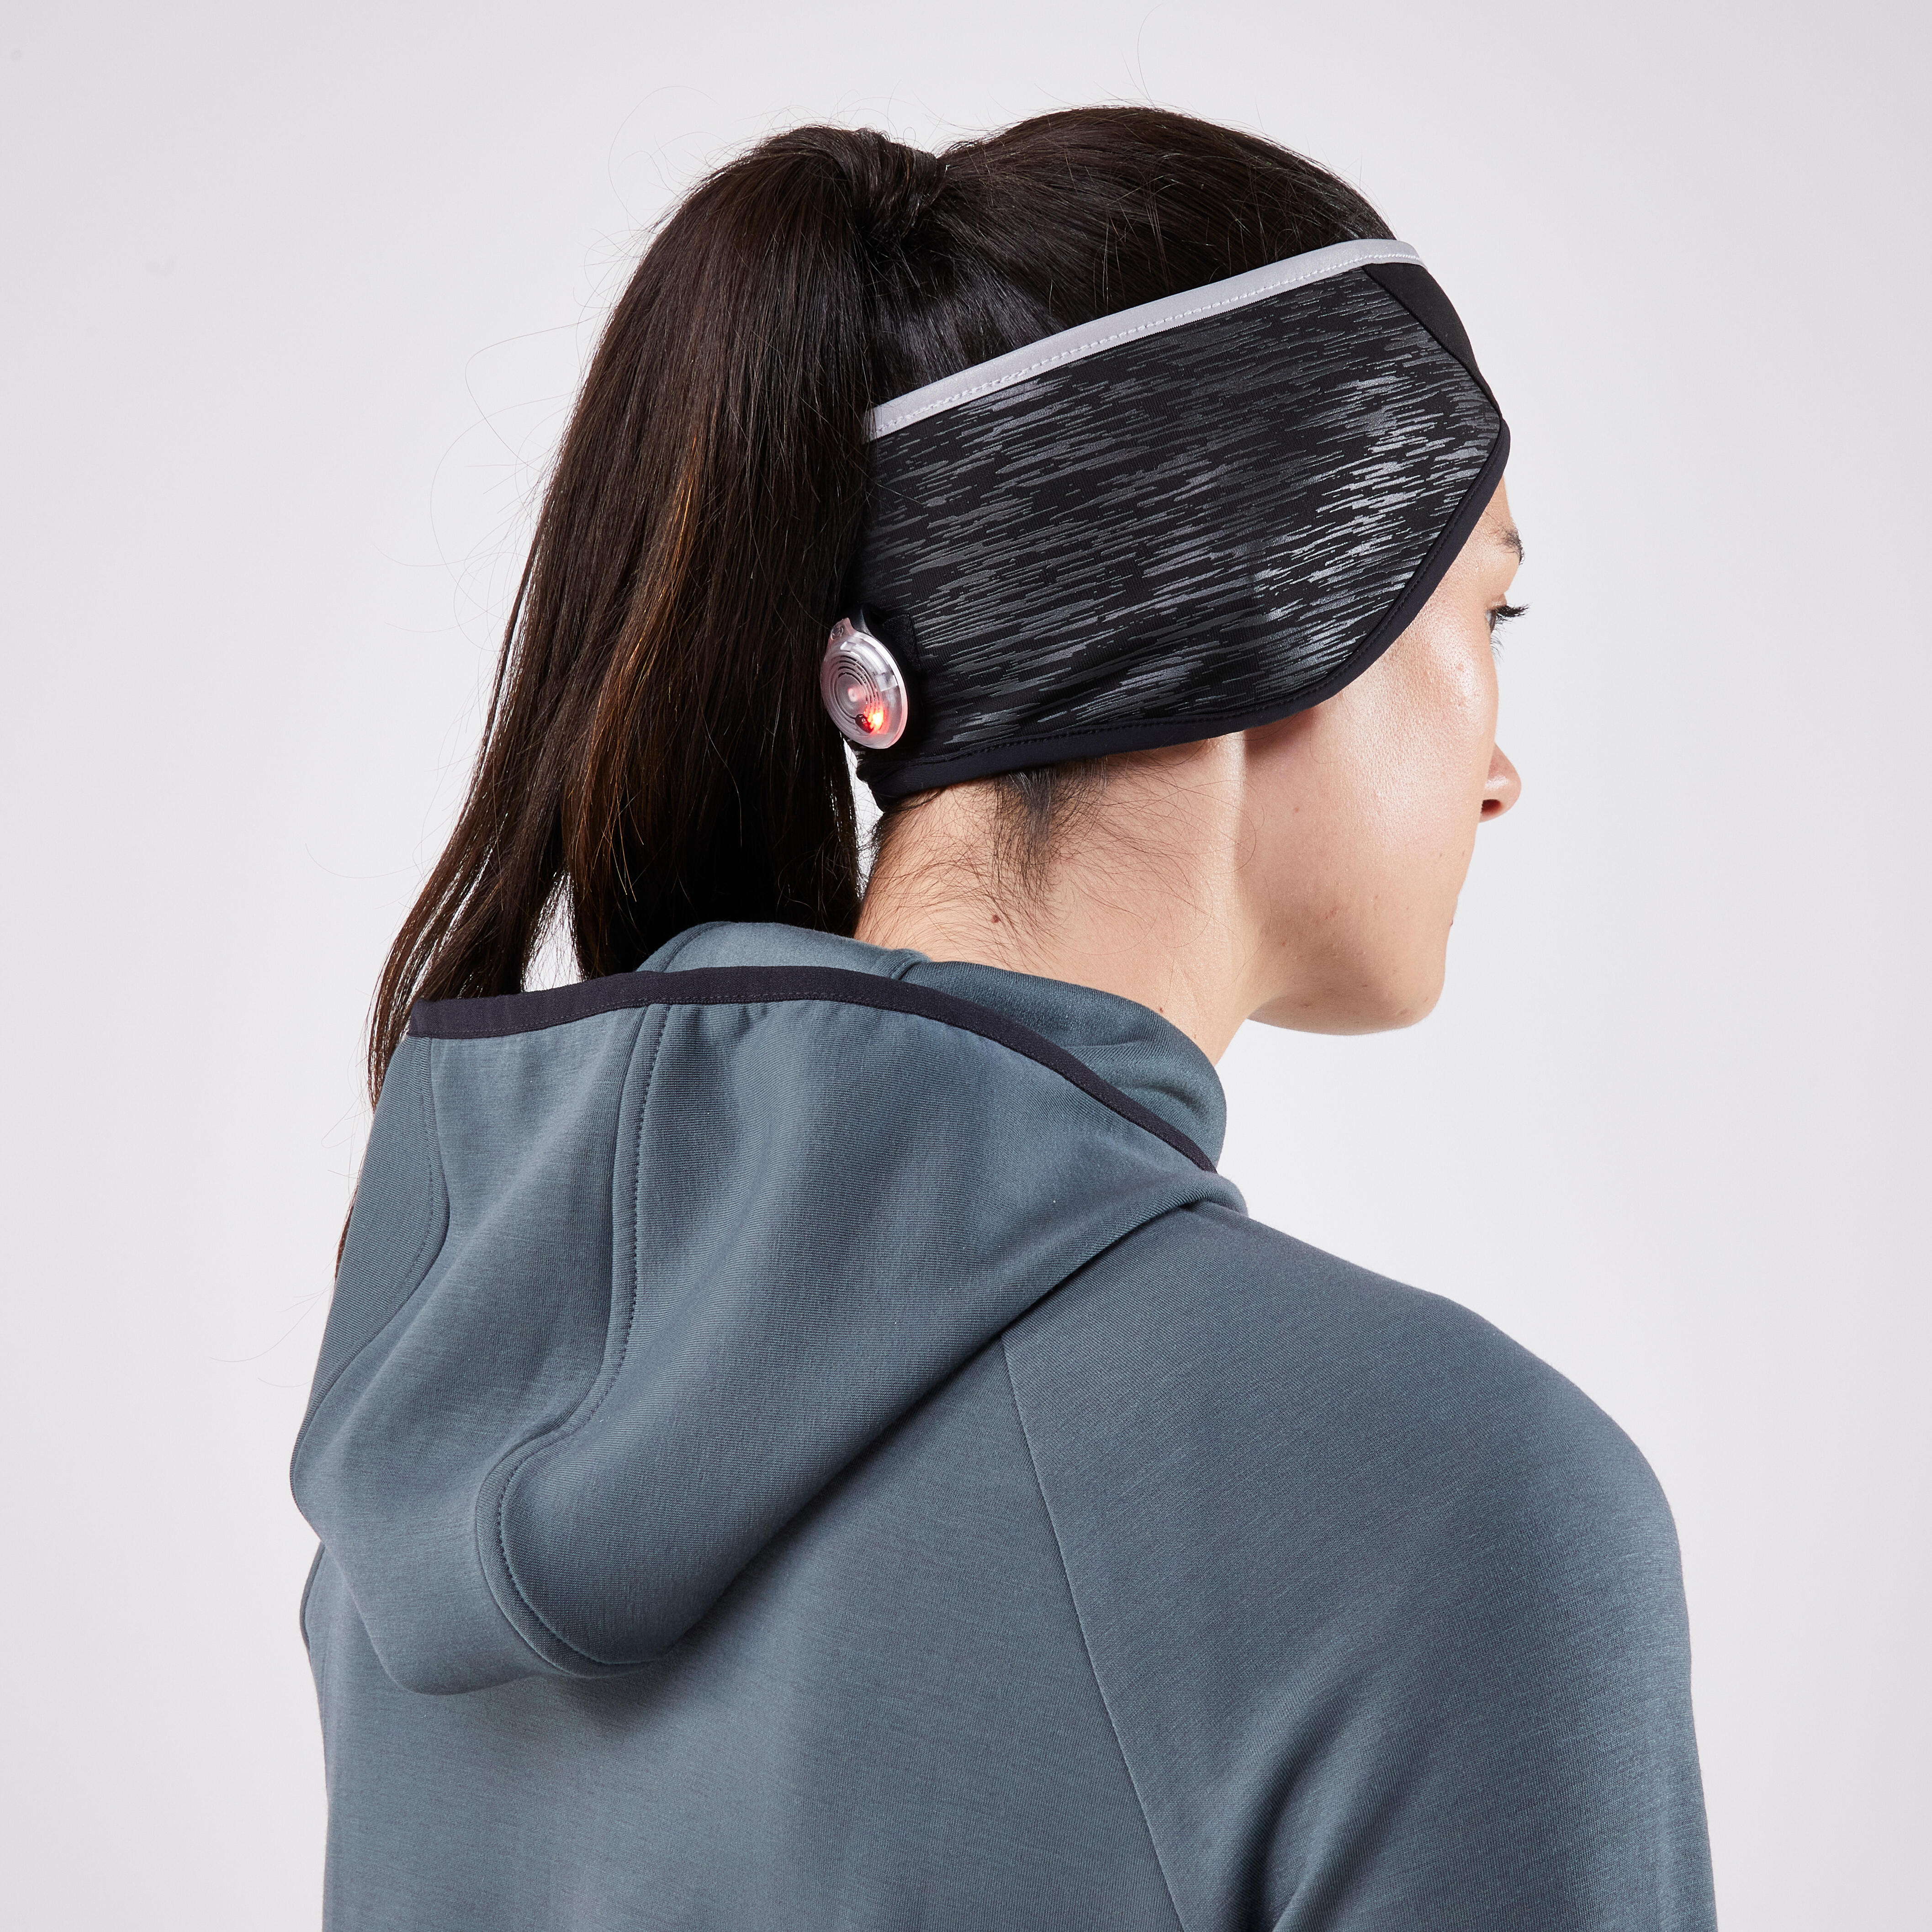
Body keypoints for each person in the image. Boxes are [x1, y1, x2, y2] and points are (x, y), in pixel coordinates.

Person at [293, 107, 1717, 1929]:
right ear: (1283, 605)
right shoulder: (1450, 1503)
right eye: (1487, 610)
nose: (1502, 766)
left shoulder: (436, 1459)